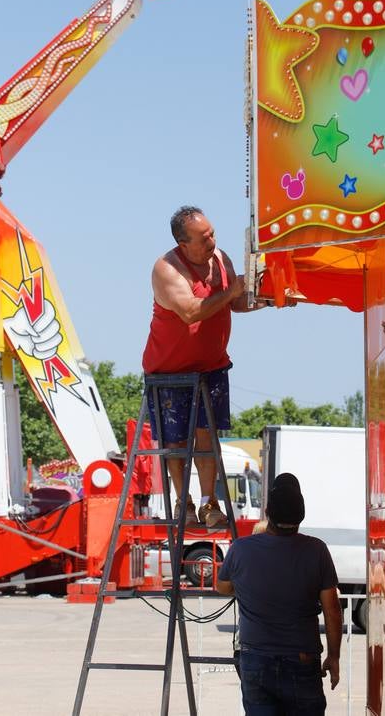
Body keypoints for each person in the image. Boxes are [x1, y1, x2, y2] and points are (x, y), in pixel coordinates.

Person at [142, 205, 268, 529]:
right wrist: (233, 289)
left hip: (211, 367)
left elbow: (235, 302)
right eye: (204, 238)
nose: (212, 241)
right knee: (175, 442)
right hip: (169, 372)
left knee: (207, 439)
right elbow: (191, 311)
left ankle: (208, 502)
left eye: (212, 234)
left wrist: (267, 299)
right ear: (183, 244)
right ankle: (182, 500)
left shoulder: (221, 259)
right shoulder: (167, 269)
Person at [216, 473, 343, 715]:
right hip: (302, 658)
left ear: (267, 512)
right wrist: (334, 656)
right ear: (301, 516)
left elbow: (222, 587)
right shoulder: (317, 550)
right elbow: (332, 610)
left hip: (255, 658)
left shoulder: (241, 549)